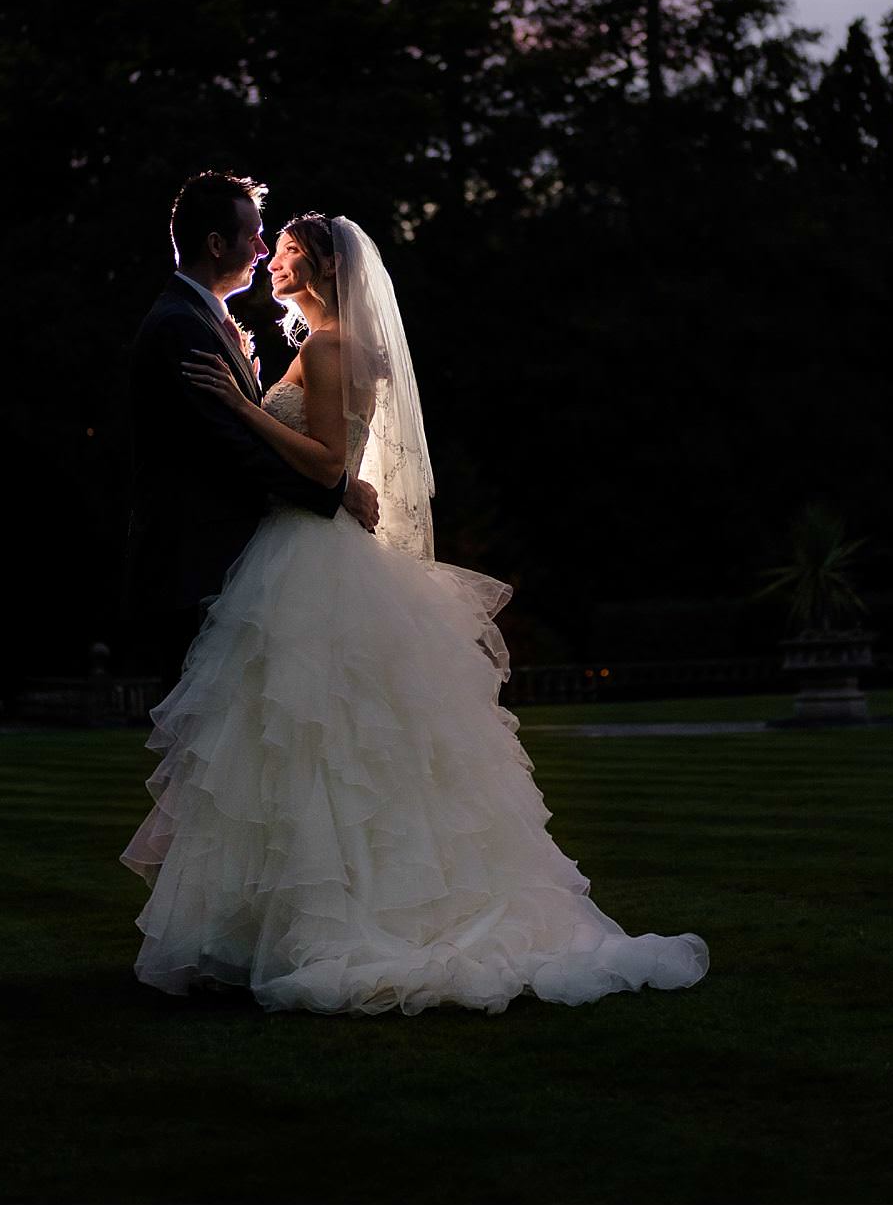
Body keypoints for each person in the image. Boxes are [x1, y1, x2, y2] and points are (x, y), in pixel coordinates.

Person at [122, 213, 709, 1015]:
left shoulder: (330, 349)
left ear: (322, 271)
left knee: (310, 740)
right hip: (304, 545)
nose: (273, 262)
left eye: (287, 253)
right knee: (323, 741)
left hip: (308, 557)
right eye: (270, 247)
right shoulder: (329, 348)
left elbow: (328, 462)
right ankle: (293, 919)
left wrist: (242, 402)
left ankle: (327, 918)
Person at [124, 171, 378, 680]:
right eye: (255, 235)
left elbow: (251, 429)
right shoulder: (182, 325)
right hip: (199, 560)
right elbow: (234, 448)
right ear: (217, 244)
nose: (264, 251)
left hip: (255, 557)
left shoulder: (208, 322)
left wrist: (251, 403)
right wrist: (339, 488)